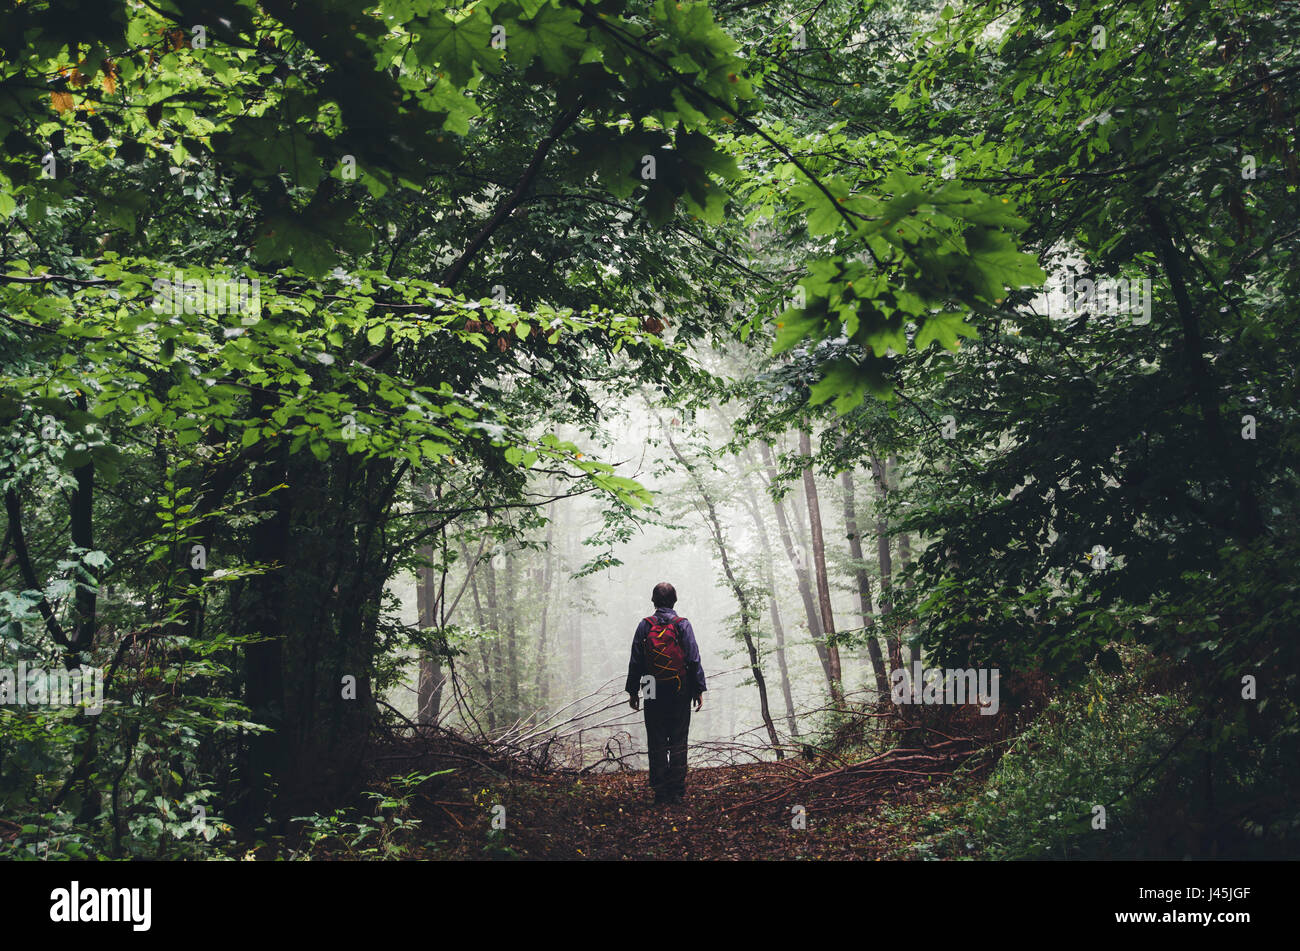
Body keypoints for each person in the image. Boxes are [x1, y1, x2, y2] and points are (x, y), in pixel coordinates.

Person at [624, 582, 706, 805]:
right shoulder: (682, 624)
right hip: (680, 685)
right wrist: (698, 688)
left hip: (650, 684)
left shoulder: (645, 625)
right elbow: (693, 658)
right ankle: (677, 791)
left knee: (656, 737)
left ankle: (660, 791)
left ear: (653, 601)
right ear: (675, 601)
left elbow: (636, 661)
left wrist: (633, 690)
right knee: (678, 737)